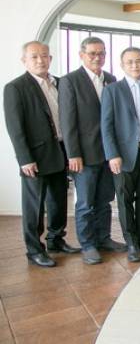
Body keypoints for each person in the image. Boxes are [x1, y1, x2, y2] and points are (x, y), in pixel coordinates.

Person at [4, 41, 80, 267]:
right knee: (34, 206)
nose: (40, 60)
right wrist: (24, 159)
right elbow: (15, 127)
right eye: (34, 57)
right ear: (24, 61)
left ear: (50, 58)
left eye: (44, 56)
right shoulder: (15, 87)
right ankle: (34, 250)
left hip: (61, 151)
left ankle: (56, 240)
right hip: (35, 157)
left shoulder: (60, 83)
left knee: (58, 200)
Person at [59, 37, 126, 265]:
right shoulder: (70, 81)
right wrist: (73, 154)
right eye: (92, 53)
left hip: (108, 153)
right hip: (84, 155)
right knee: (85, 203)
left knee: (105, 200)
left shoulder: (111, 79)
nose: (98, 57)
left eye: (102, 53)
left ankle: (103, 238)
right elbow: (67, 122)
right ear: (82, 55)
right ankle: (88, 245)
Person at [101, 47, 140, 262]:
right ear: (122, 65)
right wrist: (112, 154)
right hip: (123, 155)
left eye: (139, 61)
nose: (135, 65)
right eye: (130, 62)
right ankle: (131, 242)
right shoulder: (112, 90)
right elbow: (106, 126)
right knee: (124, 199)